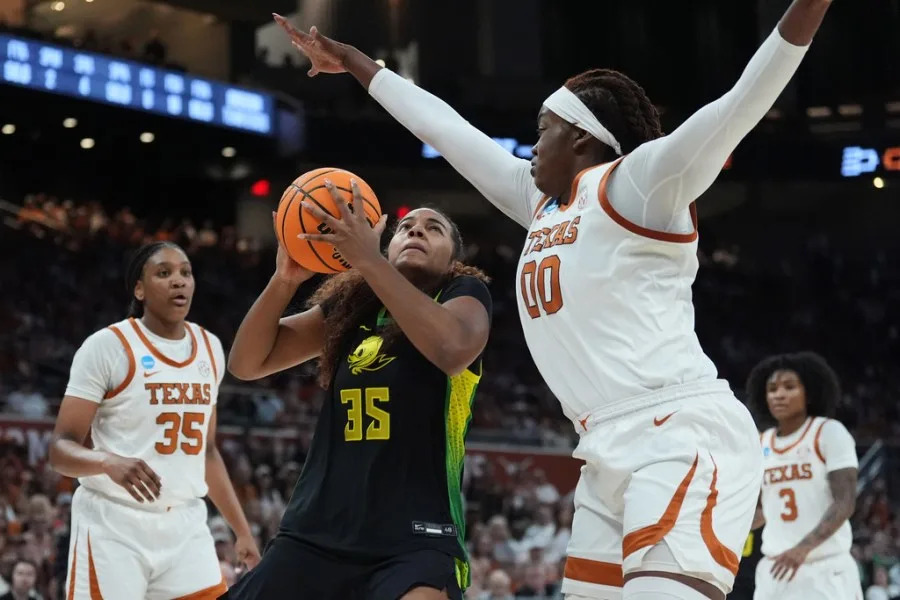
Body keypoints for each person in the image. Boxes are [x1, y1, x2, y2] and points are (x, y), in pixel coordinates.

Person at [274, 1, 835, 598]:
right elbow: (444, 129)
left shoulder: (642, 183)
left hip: (678, 433)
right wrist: (357, 62)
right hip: (601, 447)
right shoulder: (540, 205)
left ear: (581, 136)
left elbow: (744, 99)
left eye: (542, 128)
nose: (531, 144)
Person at [223, 185, 492, 600]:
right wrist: (283, 280)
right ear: (389, 247)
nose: (416, 232)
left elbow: (452, 349)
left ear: (453, 260)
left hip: (414, 536)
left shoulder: (461, 297)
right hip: (319, 531)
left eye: (433, 229)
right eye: (405, 228)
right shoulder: (353, 307)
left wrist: (368, 260)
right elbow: (247, 363)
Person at [48, 241, 260, 599]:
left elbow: (206, 452)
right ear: (140, 289)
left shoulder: (209, 347)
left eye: (186, 273)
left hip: (185, 525)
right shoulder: (107, 346)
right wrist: (105, 461)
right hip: (114, 525)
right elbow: (59, 449)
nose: (179, 281)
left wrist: (241, 530)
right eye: (164, 273)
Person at [746, 352, 860, 600]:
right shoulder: (760, 443)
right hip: (774, 569)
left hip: (824, 567)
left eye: (789, 387)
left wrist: (802, 549)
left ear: (809, 393)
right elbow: (763, 510)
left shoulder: (828, 432)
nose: (779, 394)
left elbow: (846, 501)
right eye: (772, 389)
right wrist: (730, 527)